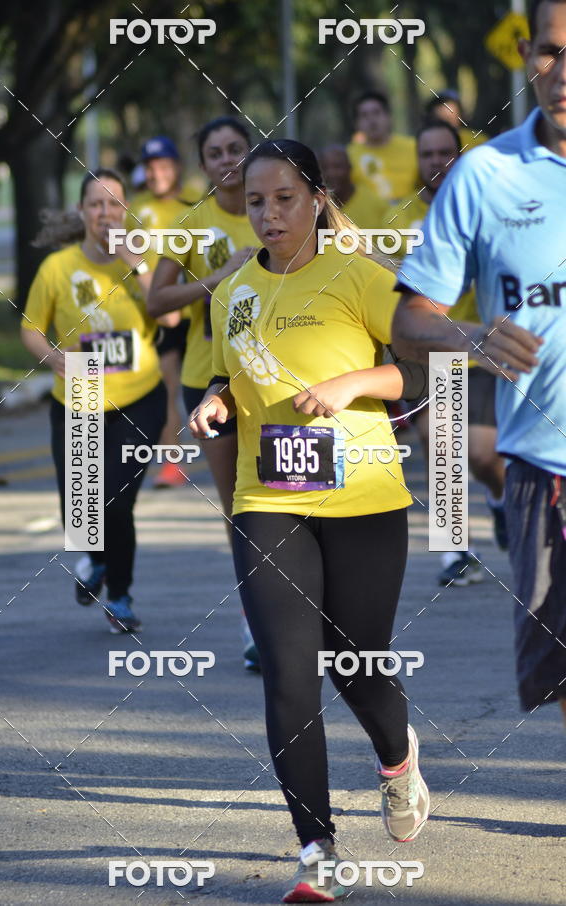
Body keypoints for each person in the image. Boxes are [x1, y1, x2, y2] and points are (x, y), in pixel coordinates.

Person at [189, 139, 430, 903]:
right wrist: (217, 402)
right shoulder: (233, 294)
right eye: (256, 201)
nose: (269, 214)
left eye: (284, 198)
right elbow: (229, 370)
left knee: (355, 660)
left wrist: (350, 383)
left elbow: (415, 368)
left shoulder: (360, 275)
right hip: (270, 499)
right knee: (288, 673)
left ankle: (397, 756)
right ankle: (315, 850)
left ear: (317, 198)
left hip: (362, 497)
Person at [391, 0, 566, 721]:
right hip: (545, 470)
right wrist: (473, 339)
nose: (561, 73)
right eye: (551, 51)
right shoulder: (484, 174)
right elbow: (408, 320)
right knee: (559, 668)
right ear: (526, 53)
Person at [21, 169, 167, 633]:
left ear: (126, 211)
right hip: (80, 388)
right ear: (82, 211)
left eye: (114, 204)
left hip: (140, 393)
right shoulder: (57, 267)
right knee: (80, 510)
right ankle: (97, 560)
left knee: (117, 501)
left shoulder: (143, 260)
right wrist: (53, 358)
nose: (105, 213)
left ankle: (120, 597)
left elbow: (173, 313)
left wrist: (136, 264)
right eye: (96, 204)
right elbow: (30, 328)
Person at [147, 116, 260, 669]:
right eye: (214, 153)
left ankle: (302, 608)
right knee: (239, 502)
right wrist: (217, 279)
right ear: (204, 165)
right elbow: (156, 301)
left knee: (288, 495)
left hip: (275, 379)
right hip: (209, 379)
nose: (226, 161)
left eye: (236, 149)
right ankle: (254, 619)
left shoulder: (277, 208)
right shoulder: (191, 224)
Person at [385, 121, 508, 585]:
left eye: (446, 153)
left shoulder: (486, 211)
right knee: (441, 447)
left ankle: (498, 499)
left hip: (476, 350)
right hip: (422, 353)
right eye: (428, 154)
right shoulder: (396, 218)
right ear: (418, 162)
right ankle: (454, 550)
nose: (437, 161)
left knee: (481, 455)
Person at [126, 136, 192, 488]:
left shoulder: (194, 205)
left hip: (197, 311)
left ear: (177, 167)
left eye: (163, 165)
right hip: (160, 310)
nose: (156, 173)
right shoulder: (135, 210)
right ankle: (173, 462)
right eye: (150, 167)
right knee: (168, 387)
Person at [346, 90, 418, 203]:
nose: (372, 120)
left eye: (376, 112)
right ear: (356, 123)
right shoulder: (348, 156)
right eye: (364, 115)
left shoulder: (414, 147)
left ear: (389, 117)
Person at [318, 144, 387, 226]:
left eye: (337, 166)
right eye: (324, 167)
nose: (331, 173)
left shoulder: (376, 205)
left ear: (349, 168)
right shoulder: (315, 208)